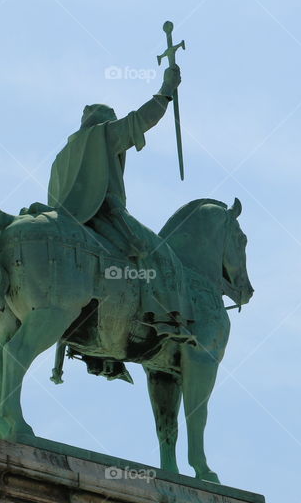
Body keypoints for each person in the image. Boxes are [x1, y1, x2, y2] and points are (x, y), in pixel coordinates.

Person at [46, 66, 194, 344]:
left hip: (67, 219)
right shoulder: (102, 135)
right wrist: (167, 89)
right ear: (105, 123)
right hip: (104, 214)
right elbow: (140, 120)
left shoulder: (62, 155)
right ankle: (166, 320)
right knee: (157, 254)